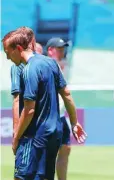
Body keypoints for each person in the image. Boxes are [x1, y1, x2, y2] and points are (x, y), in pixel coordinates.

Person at [2, 27, 87, 180]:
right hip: (55, 134)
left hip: (34, 136)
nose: (8, 57)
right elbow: (66, 94)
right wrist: (75, 122)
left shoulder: (28, 70)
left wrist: (16, 138)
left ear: (19, 48)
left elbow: (29, 110)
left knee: (21, 177)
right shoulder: (51, 63)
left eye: (8, 52)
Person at [46, 37, 71, 180]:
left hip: (61, 117)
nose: (62, 52)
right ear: (50, 50)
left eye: (63, 49)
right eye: (59, 49)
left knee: (66, 149)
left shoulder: (61, 67)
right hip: (48, 118)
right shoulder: (44, 67)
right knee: (47, 153)